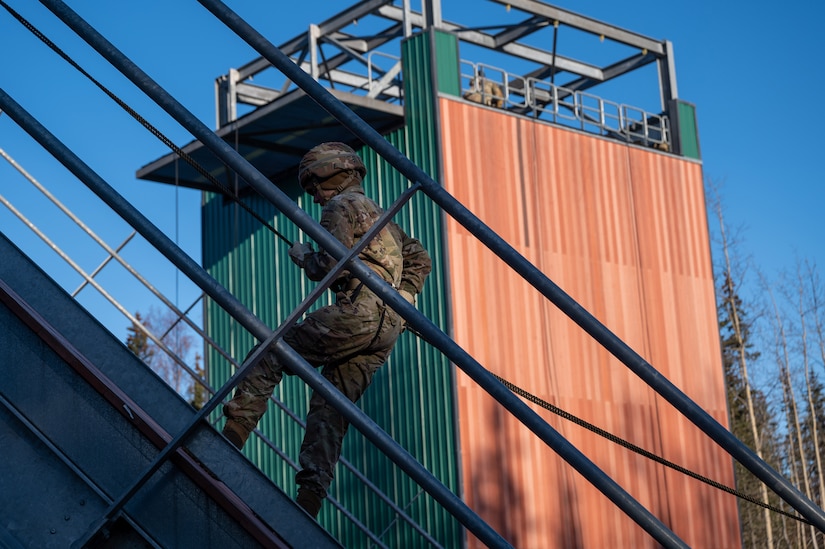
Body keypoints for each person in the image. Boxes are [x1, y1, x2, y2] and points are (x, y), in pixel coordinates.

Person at [221, 142, 432, 519]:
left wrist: (305, 257)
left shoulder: (339, 208)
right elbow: (420, 257)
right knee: (331, 407)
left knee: (272, 352)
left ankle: (233, 434)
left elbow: (331, 263)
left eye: (314, 186)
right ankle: (311, 498)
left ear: (331, 177)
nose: (314, 196)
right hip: (388, 329)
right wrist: (405, 294)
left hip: (357, 312)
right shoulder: (383, 217)